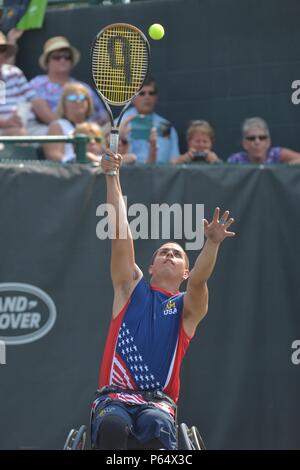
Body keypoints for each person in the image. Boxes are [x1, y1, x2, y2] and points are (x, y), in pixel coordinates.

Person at [90, 151, 235, 450]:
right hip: (114, 398)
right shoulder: (130, 289)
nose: (169, 254)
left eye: (177, 254)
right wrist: (112, 175)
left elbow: (200, 280)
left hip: (158, 404)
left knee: (155, 429)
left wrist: (212, 243)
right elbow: (120, 233)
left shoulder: (187, 309)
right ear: (152, 266)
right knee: (113, 426)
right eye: (163, 252)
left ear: (185, 271)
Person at [29, 36, 108, 128]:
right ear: (48, 61)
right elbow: (41, 110)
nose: (62, 60)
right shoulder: (37, 83)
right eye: (56, 57)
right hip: (51, 133)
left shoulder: (82, 87)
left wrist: (87, 130)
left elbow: (102, 115)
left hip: (86, 134)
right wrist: (68, 131)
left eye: (67, 57)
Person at [118, 77, 180, 164]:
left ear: (156, 97)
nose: (147, 97)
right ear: (132, 98)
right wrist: (120, 138)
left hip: (159, 174)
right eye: (142, 93)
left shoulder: (165, 125)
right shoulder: (118, 123)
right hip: (127, 174)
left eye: (151, 93)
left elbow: (173, 159)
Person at [0, 30, 46, 136]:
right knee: (18, 132)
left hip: (29, 126)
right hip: (6, 131)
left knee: (58, 129)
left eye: (3, 50)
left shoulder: (14, 72)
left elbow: (35, 100)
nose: (1, 54)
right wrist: (6, 123)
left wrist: (57, 121)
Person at [43, 83, 94, 162]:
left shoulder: (94, 126)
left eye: (82, 97)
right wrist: (76, 160)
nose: (78, 101)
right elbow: (54, 155)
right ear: (64, 103)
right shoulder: (58, 125)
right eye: (72, 98)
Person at [227, 117, 300, 164]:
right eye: (251, 138)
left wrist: (285, 168)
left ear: (268, 142)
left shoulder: (276, 155)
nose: (257, 142)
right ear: (244, 143)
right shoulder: (236, 160)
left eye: (262, 138)